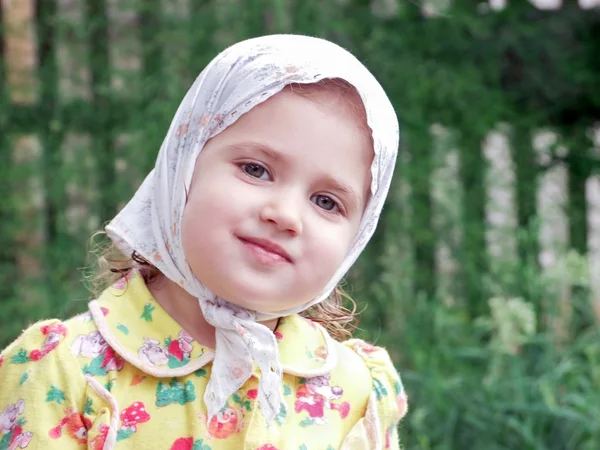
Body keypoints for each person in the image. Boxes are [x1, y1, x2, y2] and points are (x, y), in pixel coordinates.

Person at [0, 34, 407, 450]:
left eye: (326, 201)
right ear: (183, 165)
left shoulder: (355, 392)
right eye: (256, 169)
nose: (284, 214)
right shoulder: (65, 372)